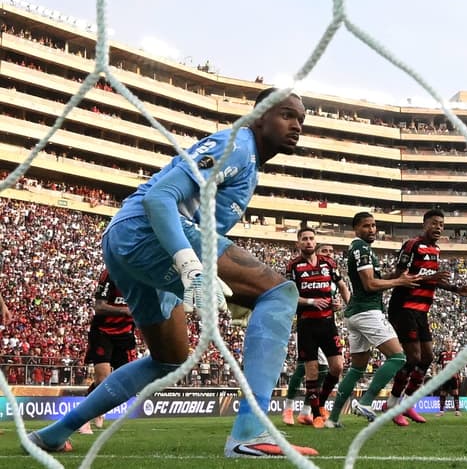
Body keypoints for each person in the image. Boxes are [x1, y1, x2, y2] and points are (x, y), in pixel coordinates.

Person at [28, 89, 318, 458]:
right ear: (259, 116)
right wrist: (191, 266)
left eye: (301, 120)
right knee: (279, 293)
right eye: (288, 115)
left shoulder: (246, 162)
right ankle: (251, 432)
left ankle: (55, 433)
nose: (297, 126)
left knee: (169, 358)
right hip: (146, 232)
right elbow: (159, 198)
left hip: (131, 244)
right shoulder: (237, 146)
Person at [325, 212, 421, 428]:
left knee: (357, 369)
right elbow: (369, 285)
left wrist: (396, 275)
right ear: (356, 229)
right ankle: (367, 402)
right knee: (398, 357)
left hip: (356, 314)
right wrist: (399, 282)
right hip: (367, 312)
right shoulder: (361, 248)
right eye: (366, 226)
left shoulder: (362, 249)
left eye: (374, 225)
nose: (372, 229)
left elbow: (373, 281)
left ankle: (333, 419)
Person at [385, 209, 467, 426]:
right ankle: (392, 404)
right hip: (404, 306)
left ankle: (406, 404)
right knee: (413, 358)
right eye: (434, 223)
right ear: (425, 224)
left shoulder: (435, 250)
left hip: (421, 310)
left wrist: (455, 288)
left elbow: (433, 280)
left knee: (427, 358)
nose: (438, 228)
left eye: (442, 225)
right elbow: (399, 275)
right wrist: (429, 277)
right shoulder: (412, 245)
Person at [285, 228, 350, 429]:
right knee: (311, 371)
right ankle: (315, 415)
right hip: (306, 324)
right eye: (304, 239)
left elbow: (342, 286)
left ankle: (321, 404)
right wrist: (312, 301)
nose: (308, 242)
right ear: (298, 244)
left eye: (311, 238)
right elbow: (290, 296)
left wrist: (346, 306)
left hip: (328, 324)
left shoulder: (328, 263)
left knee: (337, 367)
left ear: (316, 241)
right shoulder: (293, 266)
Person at [78, 269, 138, 435]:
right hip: (103, 332)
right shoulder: (110, 274)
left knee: (125, 381)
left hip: (125, 334)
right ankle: (83, 419)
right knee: (102, 376)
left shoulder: (142, 274)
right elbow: (99, 307)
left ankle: (99, 408)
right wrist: (125, 310)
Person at [435, 339, 462, 417]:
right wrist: (435, 373)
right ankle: (441, 411)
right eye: (447, 342)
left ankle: (457, 411)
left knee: (455, 393)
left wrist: (460, 374)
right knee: (443, 393)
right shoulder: (442, 353)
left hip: (454, 376)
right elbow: (437, 364)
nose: (449, 344)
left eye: (450, 342)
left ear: (452, 343)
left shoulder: (455, 353)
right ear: (445, 343)